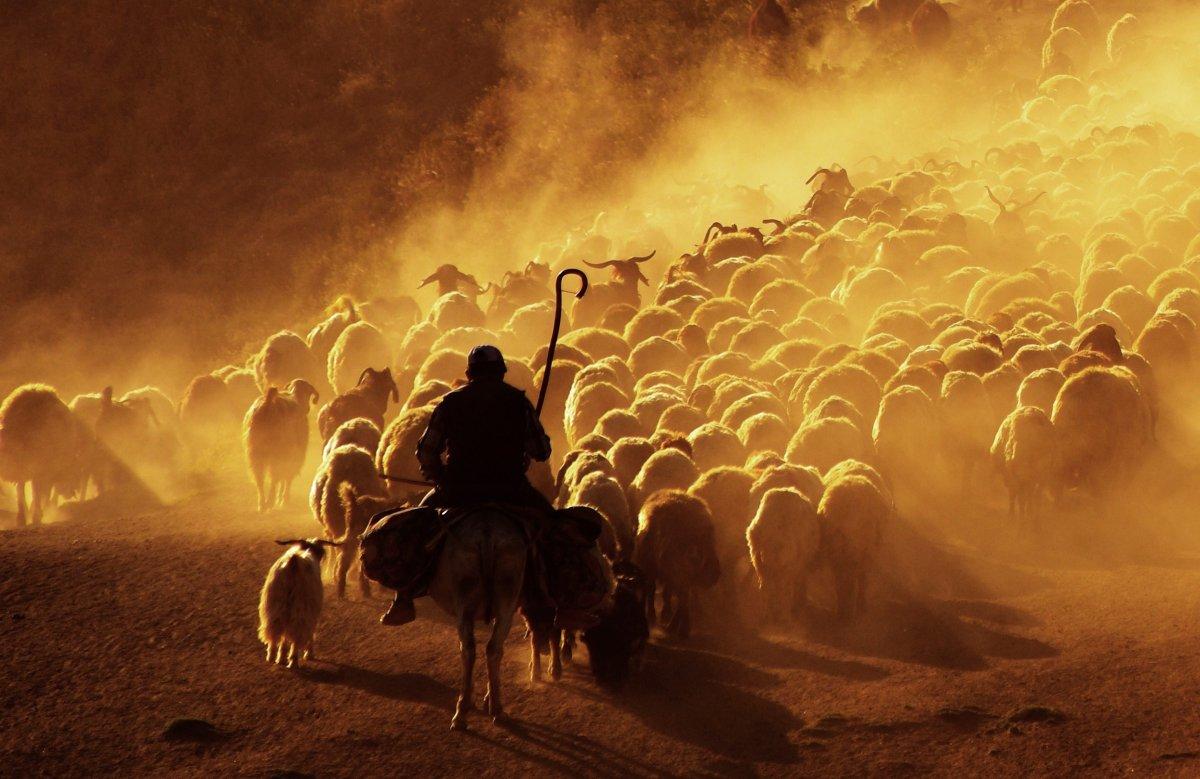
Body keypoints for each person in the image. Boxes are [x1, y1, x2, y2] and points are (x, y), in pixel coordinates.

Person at [380, 344, 553, 625]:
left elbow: (426, 450)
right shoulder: (518, 402)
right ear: (501, 371)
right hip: (510, 488)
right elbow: (541, 452)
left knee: (417, 528)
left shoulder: (450, 402)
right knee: (552, 526)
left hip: (458, 490)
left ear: (470, 373)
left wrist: (439, 477)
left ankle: (404, 597)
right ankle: (556, 597)